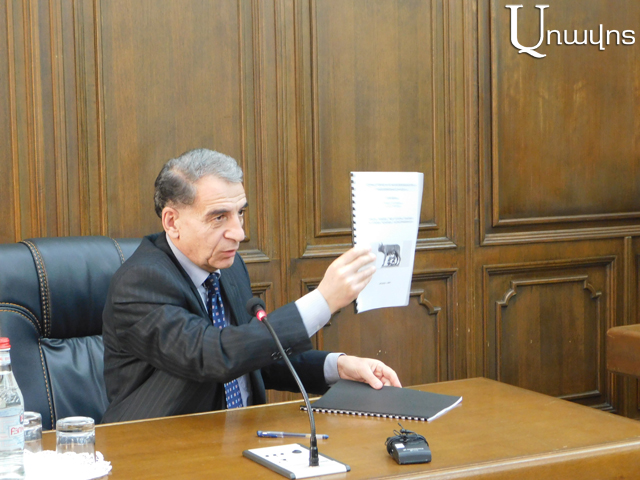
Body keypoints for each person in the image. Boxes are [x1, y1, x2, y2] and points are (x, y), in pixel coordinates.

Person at [101, 148, 401, 423]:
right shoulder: (140, 282)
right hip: (162, 446)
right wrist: (322, 301)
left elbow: (254, 353)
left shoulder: (229, 269)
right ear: (172, 222)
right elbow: (213, 355)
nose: (239, 233)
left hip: (243, 435)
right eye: (219, 217)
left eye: (240, 213)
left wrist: (338, 367)